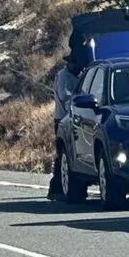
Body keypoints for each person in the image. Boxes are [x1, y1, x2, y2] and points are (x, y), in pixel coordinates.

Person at [48, 56, 83, 198]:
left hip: (71, 118)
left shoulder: (74, 76)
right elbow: (66, 97)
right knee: (63, 153)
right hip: (63, 119)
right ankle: (56, 187)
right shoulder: (64, 77)